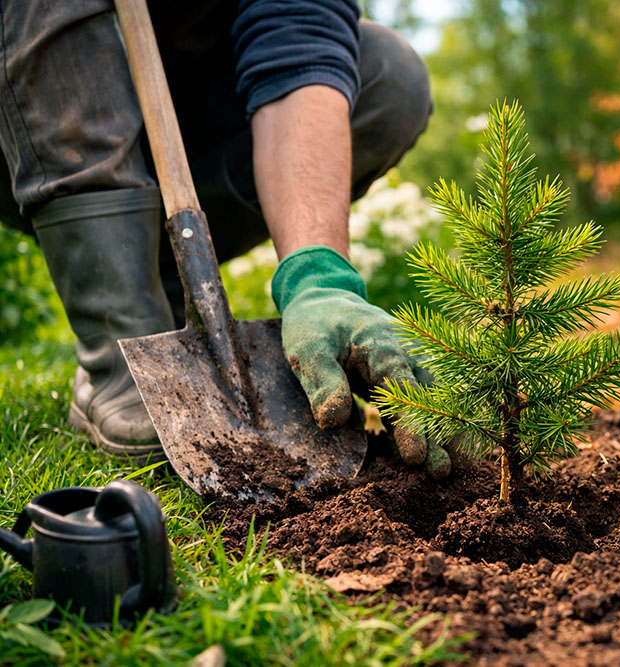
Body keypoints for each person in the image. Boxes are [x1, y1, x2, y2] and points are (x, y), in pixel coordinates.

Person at [0, 1, 450, 477]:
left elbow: (298, 33)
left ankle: (165, 290)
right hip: (29, 102)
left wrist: (317, 277)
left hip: (196, 100)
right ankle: (120, 328)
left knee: (389, 77)